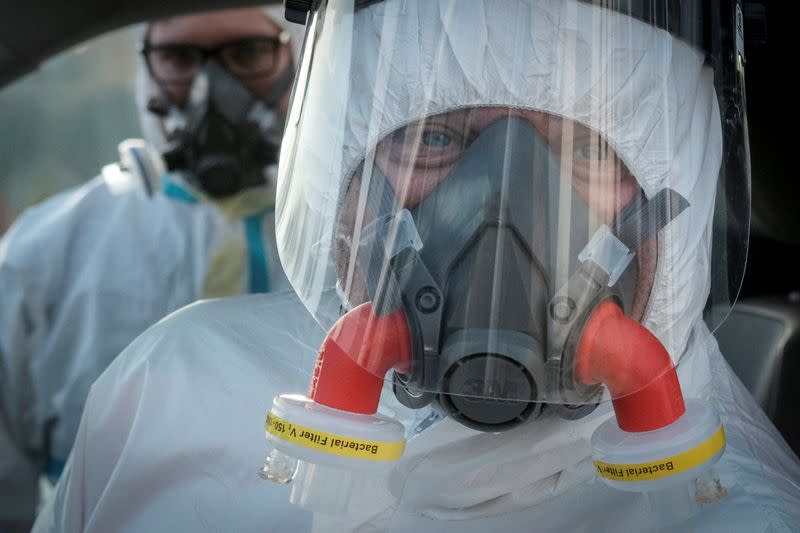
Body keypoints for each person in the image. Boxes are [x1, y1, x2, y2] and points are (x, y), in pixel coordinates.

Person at [36, 0, 800, 531]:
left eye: (591, 151)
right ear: (340, 174)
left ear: (677, 189)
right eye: (433, 139)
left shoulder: (745, 514)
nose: (507, 211)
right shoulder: (161, 401)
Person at [0, 5, 303, 529]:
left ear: (296, 57)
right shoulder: (48, 250)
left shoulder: (350, 243)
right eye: (179, 57)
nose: (212, 86)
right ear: (147, 70)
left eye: (249, 52)